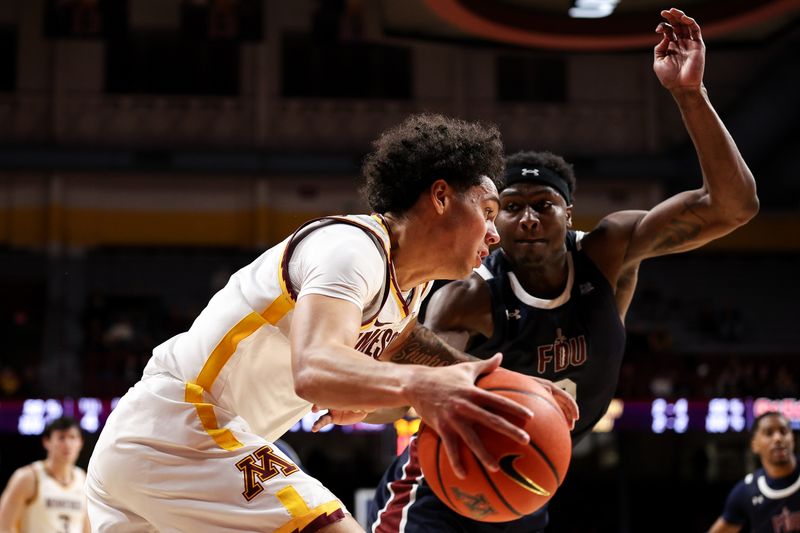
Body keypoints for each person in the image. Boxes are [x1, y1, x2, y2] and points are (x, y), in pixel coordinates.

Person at [84, 113, 577, 533]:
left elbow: (406, 346)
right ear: (441, 197)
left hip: (169, 451)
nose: (495, 233)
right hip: (183, 424)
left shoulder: (409, 284)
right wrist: (426, 386)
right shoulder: (351, 250)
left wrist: (510, 384)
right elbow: (316, 367)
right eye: (488, 211)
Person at [367, 7, 760, 532]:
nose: (528, 218)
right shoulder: (470, 296)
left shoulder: (608, 250)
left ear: (568, 214)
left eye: (543, 204)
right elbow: (402, 375)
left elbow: (734, 206)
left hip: (531, 480)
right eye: (511, 206)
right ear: (493, 219)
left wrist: (690, 95)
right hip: (447, 478)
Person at [707, 412, 799, 533]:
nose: (778, 438)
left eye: (783, 431)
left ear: (792, 437)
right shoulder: (746, 491)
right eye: (769, 433)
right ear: (754, 445)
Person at [0, 416, 89, 533]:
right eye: (61, 438)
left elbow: (88, 529)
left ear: (81, 443)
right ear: (47, 442)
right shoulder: (28, 477)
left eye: (72, 437)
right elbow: (4, 526)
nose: (67, 444)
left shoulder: (84, 479)